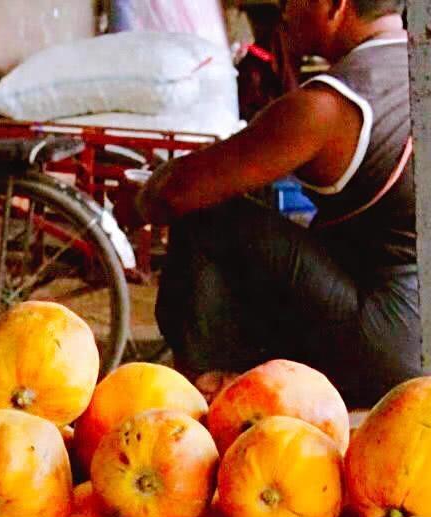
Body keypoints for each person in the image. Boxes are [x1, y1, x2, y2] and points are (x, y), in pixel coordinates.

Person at [138, 0, 416, 405]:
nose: (284, 13)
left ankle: (206, 397)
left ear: (335, 6)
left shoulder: (330, 104)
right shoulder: (429, 72)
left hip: (379, 344)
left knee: (209, 215)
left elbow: (174, 193)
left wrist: (144, 195)